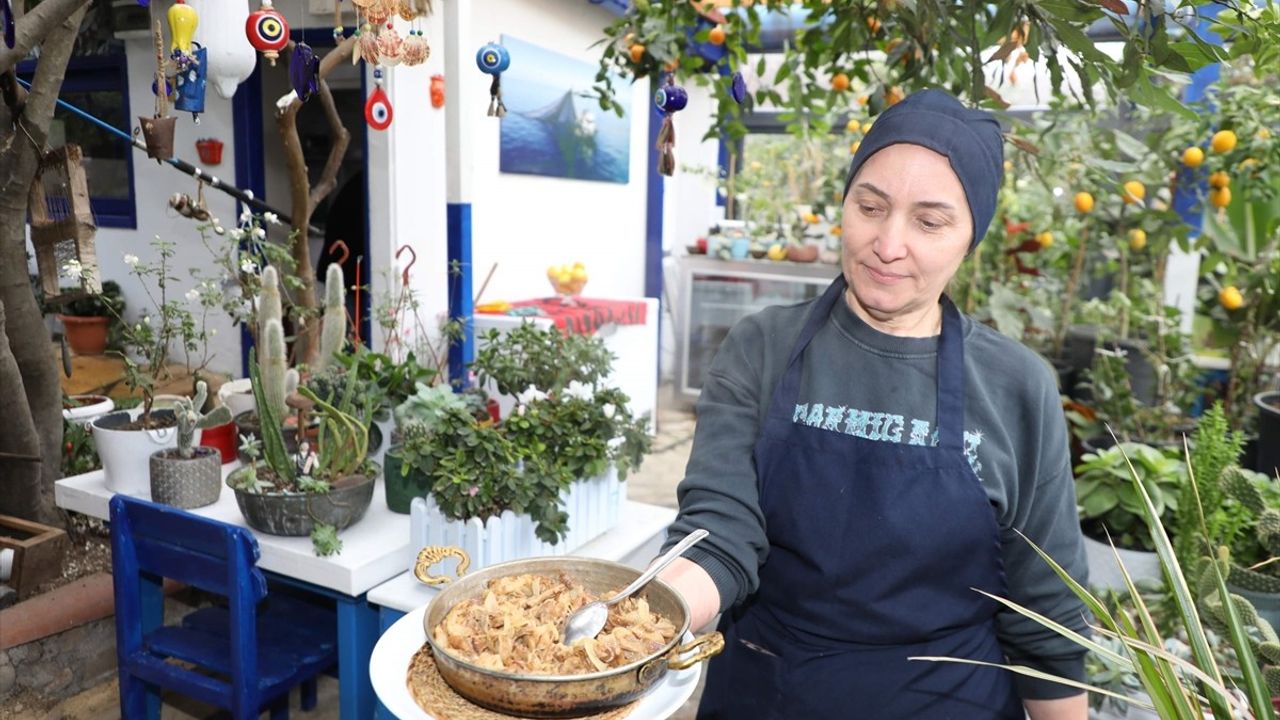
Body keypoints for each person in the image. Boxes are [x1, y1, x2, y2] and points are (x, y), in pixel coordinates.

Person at [657, 89, 1089, 719]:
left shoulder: (1017, 386)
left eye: (930, 222)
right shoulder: (763, 346)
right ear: (844, 204)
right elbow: (719, 532)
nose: (889, 243)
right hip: (767, 695)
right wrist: (641, 617)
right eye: (870, 206)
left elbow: (1045, 620)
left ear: (971, 239)